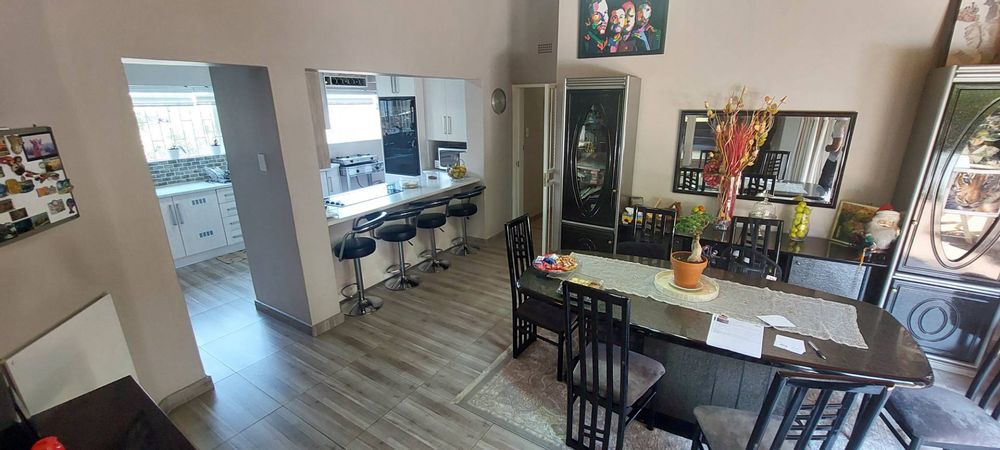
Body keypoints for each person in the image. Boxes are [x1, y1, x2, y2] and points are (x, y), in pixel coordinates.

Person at [818, 118, 848, 191]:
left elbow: (835, 147)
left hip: (833, 160)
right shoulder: (847, 122)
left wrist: (827, 147)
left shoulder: (839, 124)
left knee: (823, 187)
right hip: (839, 160)